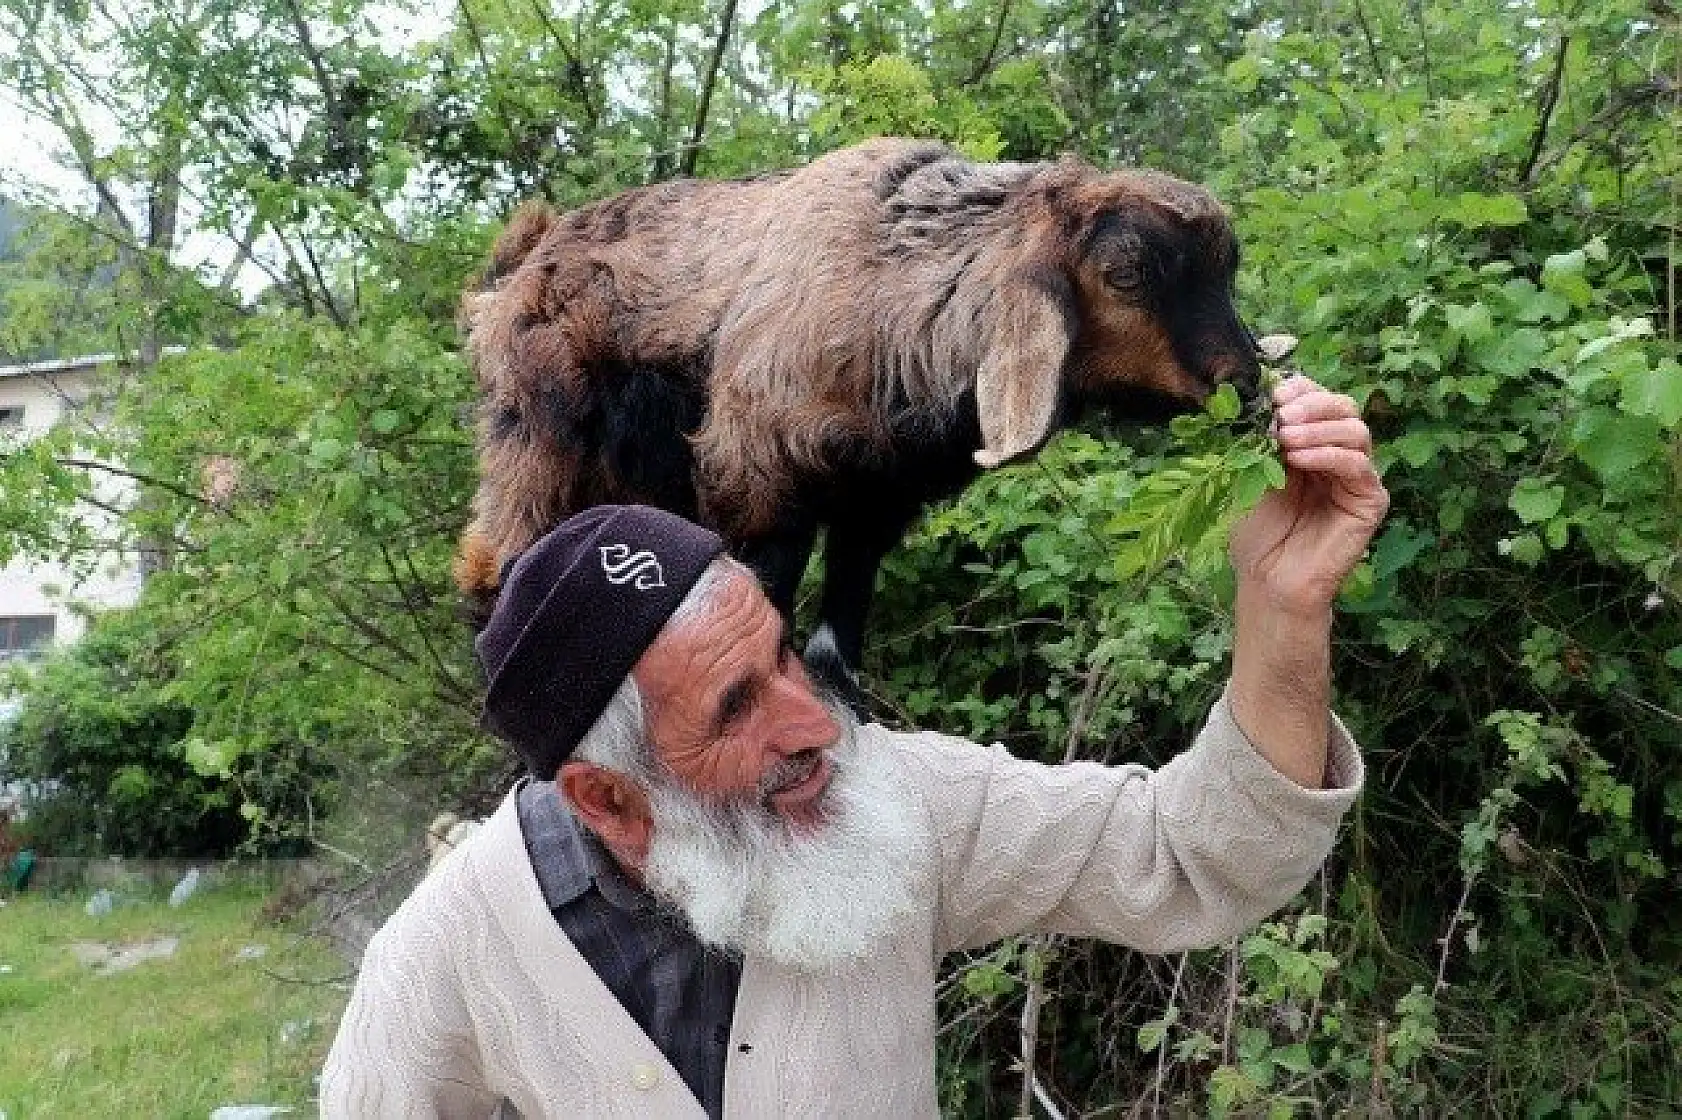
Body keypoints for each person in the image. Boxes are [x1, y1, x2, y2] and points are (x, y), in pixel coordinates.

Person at [321, 375, 1387, 1118]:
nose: (814, 720)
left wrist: (1282, 604)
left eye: (785, 657)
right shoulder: (442, 959)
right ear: (607, 799)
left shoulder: (894, 803)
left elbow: (1193, 853)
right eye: (736, 708)